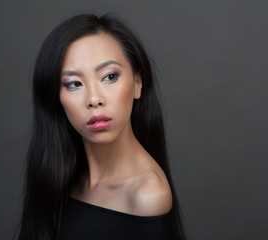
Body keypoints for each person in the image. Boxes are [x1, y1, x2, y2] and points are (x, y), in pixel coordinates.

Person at [18, 13, 185, 240]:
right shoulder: (62, 174)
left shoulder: (146, 195)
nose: (94, 99)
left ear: (138, 84)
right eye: (74, 84)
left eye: (109, 77)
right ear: (55, 97)